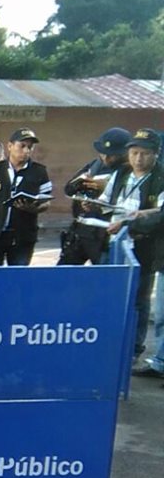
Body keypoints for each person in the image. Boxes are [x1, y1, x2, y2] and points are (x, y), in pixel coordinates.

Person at [102, 128, 164, 366]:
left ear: (156, 155)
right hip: (115, 243)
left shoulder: (160, 177)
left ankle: (134, 347)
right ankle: (113, 343)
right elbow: (107, 202)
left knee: (139, 298)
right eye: (135, 153)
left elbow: (160, 213)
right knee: (114, 295)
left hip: (145, 247)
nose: (139, 159)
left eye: (145, 154)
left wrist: (132, 219)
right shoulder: (121, 174)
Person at [0, 128, 53, 266]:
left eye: (30, 147)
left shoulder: (39, 171)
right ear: (10, 146)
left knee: (17, 276)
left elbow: (46, 202)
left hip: (22, 236)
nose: (26, 150)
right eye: (22, 146)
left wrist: (32, 207)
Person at [58, 126, 131, 265]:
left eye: (112, 154)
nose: (106, 157)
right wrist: (83, 185)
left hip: (103, 234)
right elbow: (69, 188)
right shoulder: (95, 165)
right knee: (62, 273)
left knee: (102, 277)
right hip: (81, 229)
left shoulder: (128, 173)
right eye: (103, 153)